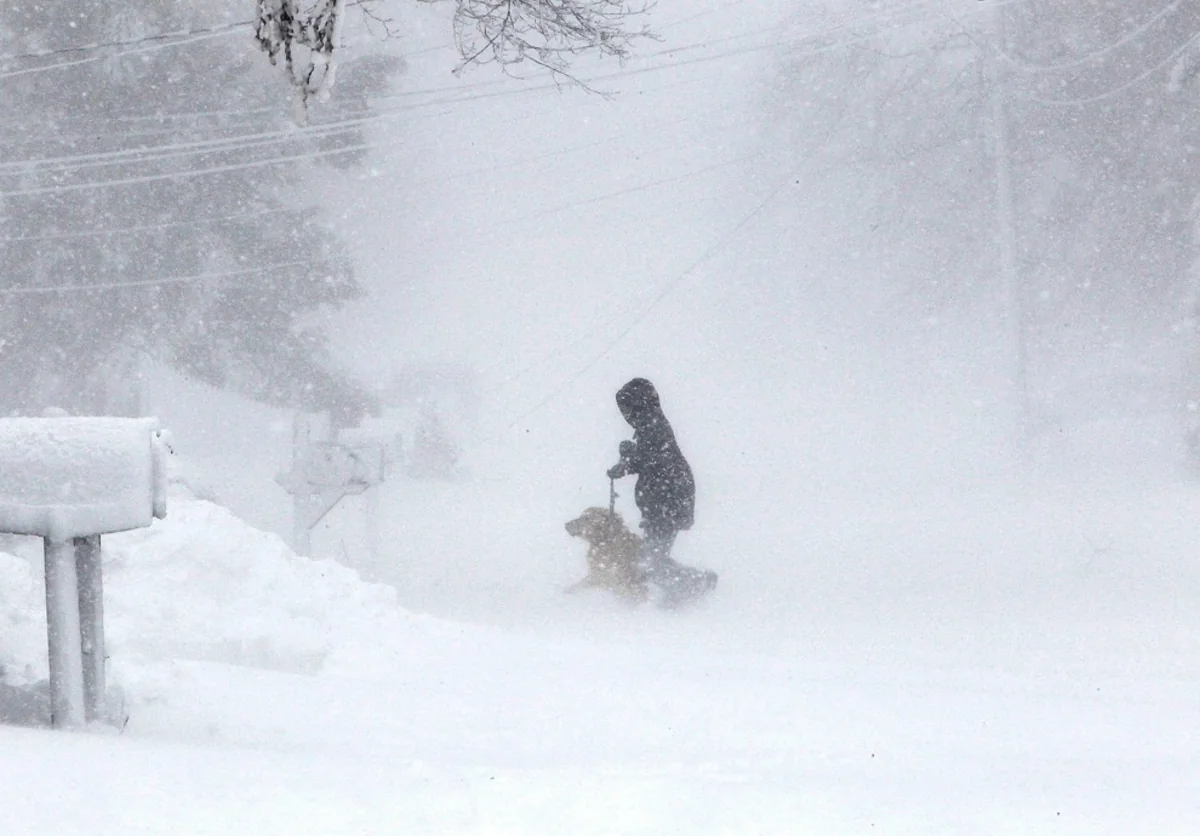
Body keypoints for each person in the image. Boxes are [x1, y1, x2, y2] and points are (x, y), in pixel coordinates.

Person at [606, 377, 717, 607]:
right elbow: (649, 460)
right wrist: (627, 462)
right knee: (652, 558)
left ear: (639, 405)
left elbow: (653, 459)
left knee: (652, 560)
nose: (626, 415)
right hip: (663, 502)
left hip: (666, 502)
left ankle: (694, 585)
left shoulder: (652, 426)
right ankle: (680, 594)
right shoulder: (651, 426)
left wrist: (627, 460)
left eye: (628, 409)